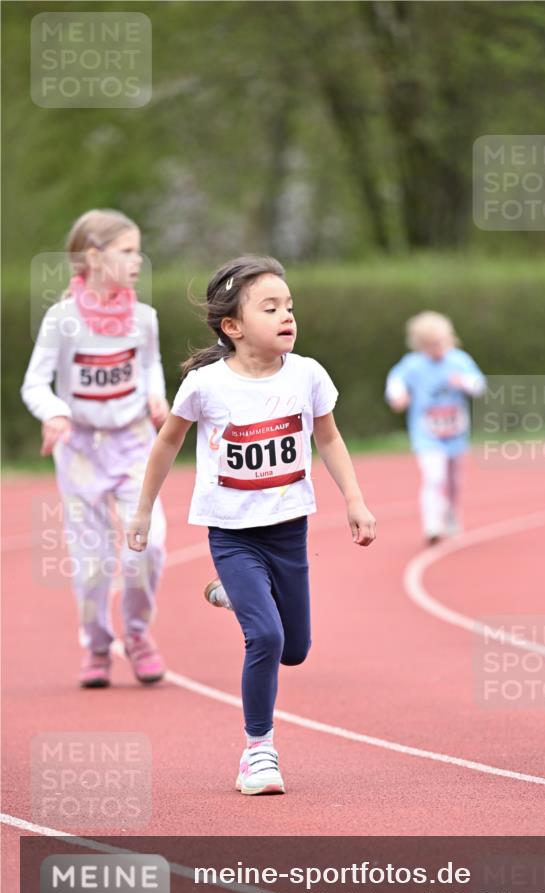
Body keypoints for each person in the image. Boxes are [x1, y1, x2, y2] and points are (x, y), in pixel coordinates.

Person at [127, 255, 376, 795]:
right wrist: (143, 508)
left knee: (295, 648)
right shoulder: (206, 385)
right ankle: (258, 752)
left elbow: (328, 438)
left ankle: (235, 596)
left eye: (289, 306)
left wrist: (354, 501)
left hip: (288, 531)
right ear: (233, 327)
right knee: (265, 636)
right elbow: (168, 440)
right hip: (233, 533)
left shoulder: (308, 375)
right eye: (271, 308)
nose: (287, 315)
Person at [21, 209, 170, 687]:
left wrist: (156, 396)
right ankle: (99, 646)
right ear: (93, 256)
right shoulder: (61, 320)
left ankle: (138, 633)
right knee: (91, 566)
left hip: (133, 447)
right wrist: (55, 413)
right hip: (81, 451)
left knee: (150, 545)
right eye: (127, 251)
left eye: (138, 250)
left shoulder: (144, 319)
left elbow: (151, 367)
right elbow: (34, 384)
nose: (137, 260)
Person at [385, 310, 486, 544]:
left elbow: (479, 384)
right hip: (427, 433)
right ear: (420, 345)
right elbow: (395, 382)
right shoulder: (413, 365)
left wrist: (465, 383)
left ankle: (451, 513)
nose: (437, 348)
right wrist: (398, 396)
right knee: (434, 476)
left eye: (441, 342)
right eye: (430, 345)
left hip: (456, 432)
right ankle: (432, 525)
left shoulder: (459, 360)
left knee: (453, 480)